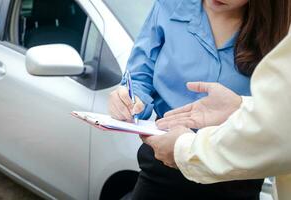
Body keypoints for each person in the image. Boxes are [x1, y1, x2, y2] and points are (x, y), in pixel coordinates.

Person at [108, 0, 290, 199]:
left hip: (236, 176)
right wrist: (130, 101)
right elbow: (139, 77)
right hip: (163, 167)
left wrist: (239, 107)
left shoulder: (282, 31)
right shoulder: (168, 5)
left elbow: (278, 116)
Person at [143, 29, 291, 200]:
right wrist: (240, 106)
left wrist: (184, 149)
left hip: (234, 178)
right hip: (161, 168)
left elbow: (278, 134)